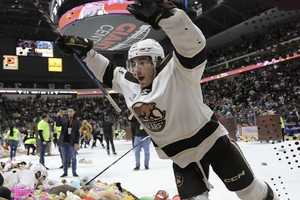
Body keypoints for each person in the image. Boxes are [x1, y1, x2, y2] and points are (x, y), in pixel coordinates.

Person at [56, 0, 279, 199]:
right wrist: (87, 53)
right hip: (181, 158)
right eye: (133, 63)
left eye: (143, 61)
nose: (137, 68)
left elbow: (193, 45)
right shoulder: (130, 83)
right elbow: (109, 72)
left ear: (157, 61)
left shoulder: (177, 71)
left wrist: (168, 17)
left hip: (213, 144)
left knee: (250, 193)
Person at [57, 108, 80, 177]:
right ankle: (65, 172)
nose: (70, 113)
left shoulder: (77, 121)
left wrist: (77, 143)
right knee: (64, 158)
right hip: (63, 142)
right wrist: (58, 116)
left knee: (73, 158)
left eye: (71, 111)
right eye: (68, 112)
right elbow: (58, 124)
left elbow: (77, 133)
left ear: (74, 112)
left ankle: (74, 172)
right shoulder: (64, 119)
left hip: (72, 142)